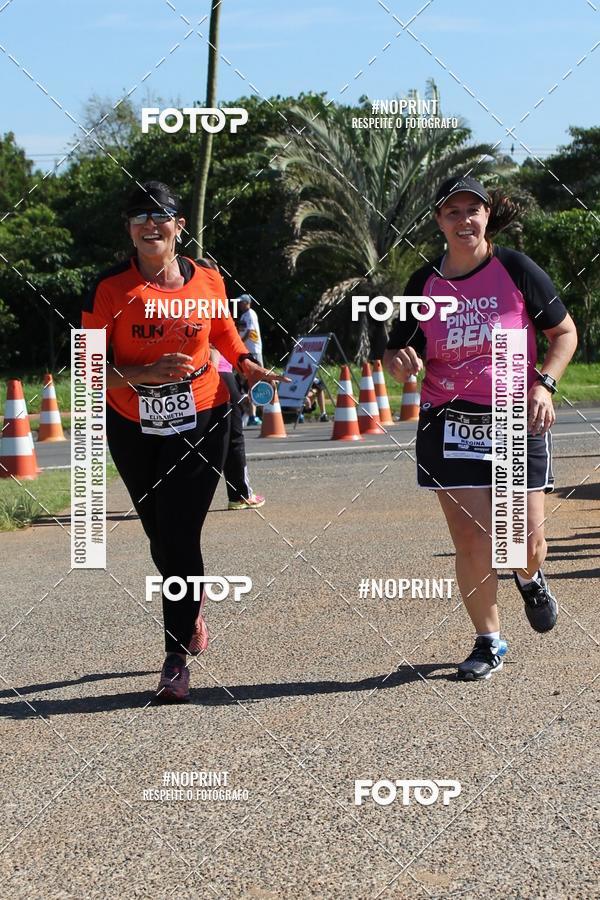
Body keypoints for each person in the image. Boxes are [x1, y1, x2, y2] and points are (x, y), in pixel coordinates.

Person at [82, 180, 286, 702]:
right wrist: (143, 373)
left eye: (161, 215)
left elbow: (223, 335)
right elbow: (88, 366)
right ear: (128, 230)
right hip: (133, 421)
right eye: (139, 217)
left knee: (181, 532)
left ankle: (174, 655)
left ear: (180, 226)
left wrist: (245, 364)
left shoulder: (209, 281)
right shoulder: (109, 289)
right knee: (158, 533)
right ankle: (191, 610)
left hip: (203, 414)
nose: (150, 225)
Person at [384, 176, 578, 681]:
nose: (463, 220)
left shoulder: (514, 269)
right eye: (452, 212)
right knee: (471, 538)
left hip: (516, 411)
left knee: (521, 543)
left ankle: (531, 578)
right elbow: (395, 351)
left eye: (473, 210)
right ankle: (488, 640)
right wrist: (399, 362)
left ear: (487, 215)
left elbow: (563, 333)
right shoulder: (423, 282)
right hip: (449, 419)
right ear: (438, 221)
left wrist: (544, 385)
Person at [210, 345, 265, 509]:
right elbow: (215, 346)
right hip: (218, 372)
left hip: (191, 376)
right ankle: (241, 495)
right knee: (233, 435)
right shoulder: (213, 318)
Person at [237, 294, 263, 425]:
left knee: (256, 380)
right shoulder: (243, 316)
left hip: (253, 350)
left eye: (242, 302)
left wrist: (238, 342)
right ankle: (251, 414)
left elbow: (249, 332)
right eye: (239, 303)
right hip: (246, 351)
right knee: (247, 382)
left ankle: (256, 413)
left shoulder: (251, 314)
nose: (240, 305)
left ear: (248, 303)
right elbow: (241, 331)